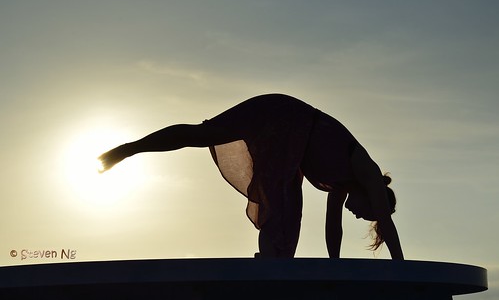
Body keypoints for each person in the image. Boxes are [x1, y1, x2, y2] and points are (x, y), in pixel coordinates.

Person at [98, 94, 404, 260]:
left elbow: (332, 227)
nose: (359, 215)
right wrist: (401, 267)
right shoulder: (367, 171)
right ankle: (130, 149)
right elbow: (385, 223)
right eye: (366, 213)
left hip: (285, 131)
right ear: (375, 199)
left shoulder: (342, 184)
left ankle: (127, 150)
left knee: (282, 198)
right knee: (283, 201)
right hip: (287, 118)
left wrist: (334, 266)